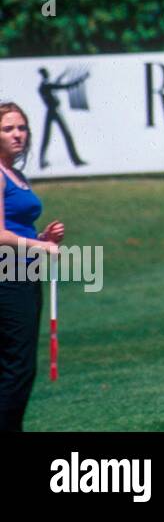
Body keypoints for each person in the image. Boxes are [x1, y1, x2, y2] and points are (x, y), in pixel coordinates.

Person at [0, 102, 63, 431]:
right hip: (8, 277)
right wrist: (42, 246)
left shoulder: (16, 173)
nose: (17, 134)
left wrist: (42, 236)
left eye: (22, 128)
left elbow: (14, 228)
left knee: (14, 365)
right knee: (18, 367)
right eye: (8, 128)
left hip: (24, 273)